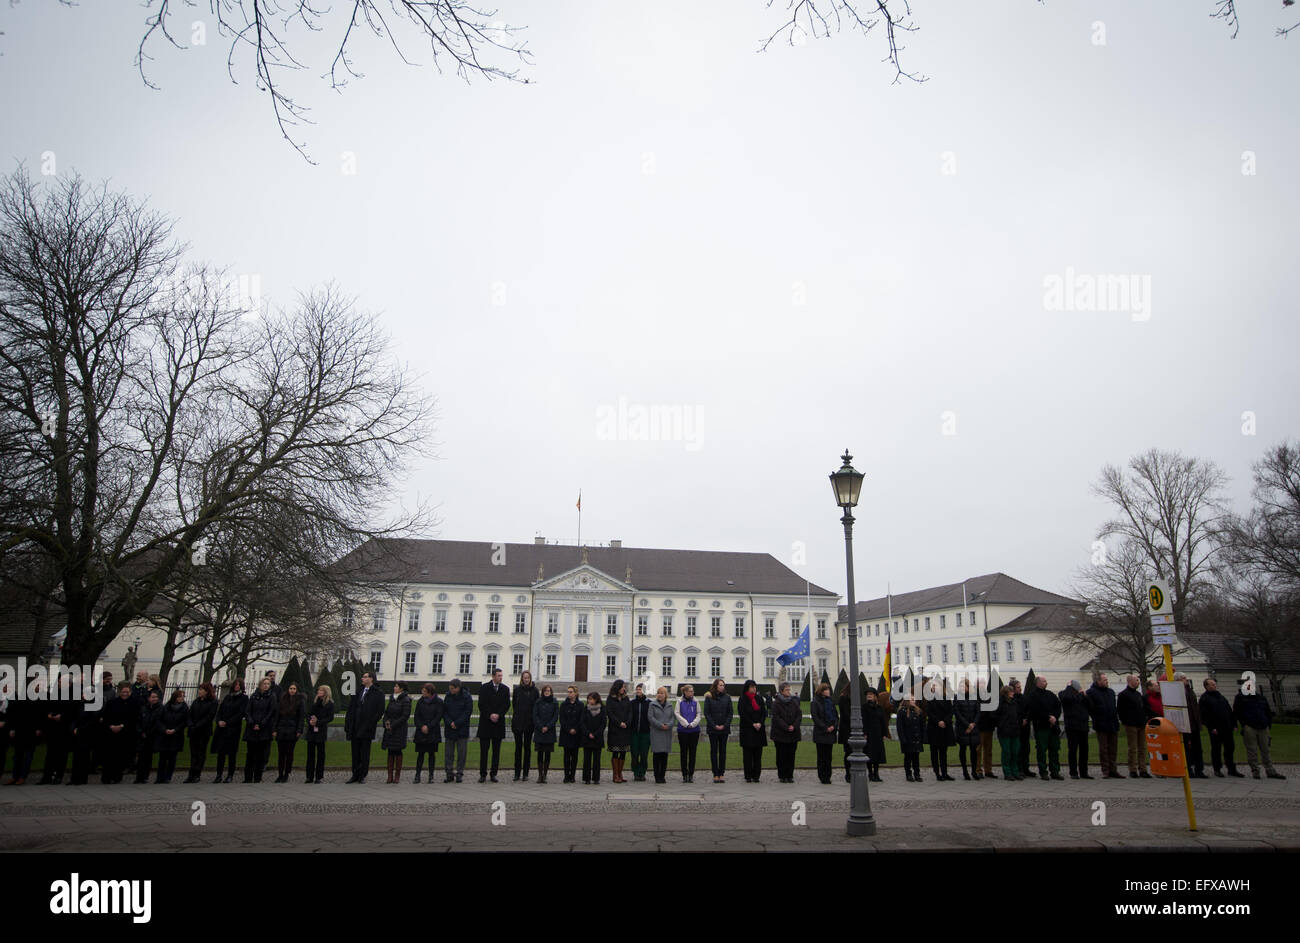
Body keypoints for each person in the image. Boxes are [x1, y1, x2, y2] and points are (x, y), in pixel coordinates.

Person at [1234, 677, 1285, 780]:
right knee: (1252, 750)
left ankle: (1270, 770)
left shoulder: (1260, 697)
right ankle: (1255, 770)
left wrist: (1268, 724)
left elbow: (1267, 711)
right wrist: (1244, 724)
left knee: (1265, 749)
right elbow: (1237, 712)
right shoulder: (1240, 698)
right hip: (1250, 727)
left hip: (1263, 726)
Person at [344, 670, 386, 784]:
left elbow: (380, 711)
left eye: (365, 677)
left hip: (367, 727)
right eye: (362, 677)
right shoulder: (359, 691)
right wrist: (348, 723)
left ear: (371, 679)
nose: (362, 679)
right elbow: (351, 708)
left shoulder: (378, 693)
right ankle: (355, 774)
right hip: (355, 726)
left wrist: (371, 722)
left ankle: (362, 774)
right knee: (355, 752)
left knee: (364, 753)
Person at [1199, 677, 1241, 777]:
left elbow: (1229, 710)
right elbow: (1204, 715)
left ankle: (1231, 768)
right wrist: (1211, 727)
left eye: (1214, 684)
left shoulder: (1221, 697)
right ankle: (1217, 768)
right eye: (1212, 684)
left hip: (1227, 727)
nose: (1214, 685)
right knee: (1216, 749)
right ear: (1206, 686)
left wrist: (1234, 723)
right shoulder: (1204, 699)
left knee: (1230, 748)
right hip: (1215, 729)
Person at [1024, 674, 1063, 781]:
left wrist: (1055, 716)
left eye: (1046, 681)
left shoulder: (1050, 694)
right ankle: (1043, 771)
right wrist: (1047, 717)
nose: (1046, 683)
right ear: (1038, 683)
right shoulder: (1032, 696)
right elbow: (1034, 710)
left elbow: (1058, 706)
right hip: (1041, 726)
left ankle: (1055, 771)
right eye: (1044, 681)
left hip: (1053, 726)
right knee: (1041, 750)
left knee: (1054, 749)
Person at [38, 687, 78, 785]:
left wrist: (62, 717)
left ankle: (59, 776)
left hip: (64, 729)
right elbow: (46, 707)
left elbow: (73, 711)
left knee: (62, 753)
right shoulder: (53, 694)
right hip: (52, 728)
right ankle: (47, 776)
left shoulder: (72, 695)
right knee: (50, 753)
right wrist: (49, 715)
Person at [477, 668, 510, 783]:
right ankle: (482, 774)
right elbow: (481, 704)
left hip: (498, 724)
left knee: (496, 751)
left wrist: (498, 714)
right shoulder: (484, 688)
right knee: (484, 751)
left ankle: (493, 773)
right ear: (493, 676)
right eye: (498, 676)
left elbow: (506, 705)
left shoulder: (505, 689)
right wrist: (490, 715)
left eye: (501, 676)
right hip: (486, 723)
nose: (500, 677)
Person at [100, 682, 137, 784]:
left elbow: (133, 719)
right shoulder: (112, 702)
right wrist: (111, 726)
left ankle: (117, 776)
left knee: (120, 757)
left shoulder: (134, 703)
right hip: (111, 733)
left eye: (127, 692)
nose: (124, 694)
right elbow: (106, 716)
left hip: (124, 733)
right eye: (123, 692)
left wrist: (121, 726)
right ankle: (106, 777)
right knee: (109, 756)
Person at [1086, 673, 1122, 778]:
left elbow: (1113, 707)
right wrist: (1096, 718)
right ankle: (1105, 770)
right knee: (1104, 749)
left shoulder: (1110, 692)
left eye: (1107, 680)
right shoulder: (1091, 692)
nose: (1107, 681)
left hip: (1112, 723)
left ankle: (1113, 769)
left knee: (1113, 748)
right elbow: (1091, 708)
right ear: (1098, 681)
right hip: (1101, 724)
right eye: (1105, 680)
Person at [211, 679, 247, 783]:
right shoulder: (227, 697)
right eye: (235, 685)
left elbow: (241, 713)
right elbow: (220, 711)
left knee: (232, 753)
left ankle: (230, 775)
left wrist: (228, 722)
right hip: (222, 728)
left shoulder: (244, 698)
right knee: (221, 753)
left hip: (233, 728)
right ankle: (219, 774)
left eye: (238, 685)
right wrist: (219, 721)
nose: (236, 686)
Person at [243, 677, 277, 783]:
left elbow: (271, 712)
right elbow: (248, 710)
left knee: (261, 754)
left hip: (264, 729)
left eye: (268, 684)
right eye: (264, 683)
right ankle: (248, 777)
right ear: (260, 685)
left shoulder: (272, 697)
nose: (266, 685)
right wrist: (252, 722)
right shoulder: (254, 696)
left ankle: (258, 777)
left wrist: (261, 724)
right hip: (252, 728)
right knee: (250, 754)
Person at [1117, 674, 1151, 778]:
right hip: (1131, 724)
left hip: (1141, 723)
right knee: (1133, 748)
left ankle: (1143, 769)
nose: (1138, 682)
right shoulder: (1123, 695)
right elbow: (1120, 710)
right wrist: (1125, 721)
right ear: (1130, 681)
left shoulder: (1138, 694)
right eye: (1136, 680)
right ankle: (1132, 769)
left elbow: (1143, 708)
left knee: (1142, 747)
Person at [272, 682, 306, 783]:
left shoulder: (300, 701)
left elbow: (301, 717)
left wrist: (299, 730)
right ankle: (280, 774)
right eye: (291, 688)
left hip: (292, 730)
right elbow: (277, 716)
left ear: (297, 690)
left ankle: (286, 773)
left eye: (294, 689)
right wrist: (274, 729)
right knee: (281, 753)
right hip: (281, 729)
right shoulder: (282, 700)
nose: (292, 690)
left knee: (289, 753)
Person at [184, 682, 218, 783]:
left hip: (204, 731)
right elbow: (190, 714)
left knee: (200, 752)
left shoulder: (213, 702)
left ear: (207, 691)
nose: (199, 691)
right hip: (194, 730)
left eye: (201, 689)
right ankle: (191, 773)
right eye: (199, 689)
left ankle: (197, 773)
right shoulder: (196, 701)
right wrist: (191, 724)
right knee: (193, 752)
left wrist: (197, 725)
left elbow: (209, 716)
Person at [1175, 673, 1206, 778]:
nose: (1186, 680)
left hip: (1194, 723)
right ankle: (1188, 769)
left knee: (1197, 748)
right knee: (1186, 749)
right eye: (1183, 678)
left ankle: (1199, 769)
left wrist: (1199, 721)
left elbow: (1195, 706)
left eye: (1185, 678)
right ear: (1178, 680)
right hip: (1184, 724)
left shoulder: (1190, 690)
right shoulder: (1177, 691)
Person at [441, 678, 473, 783]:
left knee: (461, 753)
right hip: (450, 728)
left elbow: (467, 712)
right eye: (450, 688)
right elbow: (444, 711)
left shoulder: (466, 697)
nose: (451, 690)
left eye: (452, 689)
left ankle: (459, 773)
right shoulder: (448, 696)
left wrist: (457, 723)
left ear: (458, 688)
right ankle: (449, 773)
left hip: (461, 729)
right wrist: (450, 722)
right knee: (449, 753)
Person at [769, 681, 802, 783]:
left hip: (793, 733)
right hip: (780, 734)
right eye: (787, 689)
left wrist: (794, 726)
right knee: (781, 755)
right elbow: (776, 718)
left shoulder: (794, 702)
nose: (789, 691)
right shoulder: (776, 703)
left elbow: (799, 715)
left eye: (789, 689)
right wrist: (786, 726)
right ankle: (782, 775)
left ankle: (789, 775)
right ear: (781, 691)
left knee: (791, 755)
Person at [1059, 679, 1091, 779]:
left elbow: (1091, 705)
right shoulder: (1064, 694)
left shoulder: (1082, 696)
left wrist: (1085, 695)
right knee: (1073, 750)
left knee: (1084, 750)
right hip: (1072, 726)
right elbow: (1066, 698)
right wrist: (1069, 687)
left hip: (1083, 726)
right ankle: (1073, 772)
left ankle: (1084, 772)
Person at [702, 677, 733, 783]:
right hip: (713, 729)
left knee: (723, 752)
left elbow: (730, 713)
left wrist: (725, 725)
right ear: (716, 686)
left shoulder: (727, 698)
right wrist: (714, 725)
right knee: (714, 751)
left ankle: (721, 773)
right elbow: (707, 713)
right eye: (720, 685)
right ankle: (715, 773)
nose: (722, 687)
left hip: (724, 729)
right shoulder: (709, 697)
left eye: (723, 685)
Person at [412, 683, 443, 784]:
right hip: (421, 731)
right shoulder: (420, 701)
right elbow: (416, 716)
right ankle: (417, 775)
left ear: (430, 692)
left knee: (431, 754)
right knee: (420, 754)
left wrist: (428, 726)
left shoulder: (438, 702)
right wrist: (421, 726)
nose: (422, 693)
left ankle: (431, 775)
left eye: (424, 691)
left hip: (432, 731)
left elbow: (438, 716)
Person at [511, 670, 540, 781]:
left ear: (530, 678)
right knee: (518, 748)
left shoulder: (535, 691)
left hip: (529, 723)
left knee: (527, 748)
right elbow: (514, 705)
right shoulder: (517, 690)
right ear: (522, 678)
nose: (526, 679)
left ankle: (526, 773)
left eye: (528, 677)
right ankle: (517, 772)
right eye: (524, 677)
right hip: (518, 722)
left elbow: (536, 707)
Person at [737, 679, 767, 783]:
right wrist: (752, 724)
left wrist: (760, 723)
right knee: (748, 755)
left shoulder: (759, 699)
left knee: (758, 755)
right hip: (747, 730)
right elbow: (743, 714)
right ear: (747, 688)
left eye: (755, 686)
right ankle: (748, 775)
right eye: (752, 687)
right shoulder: (743, 699)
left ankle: (756, 775)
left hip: (759, 730)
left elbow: (764, 712)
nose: (754, 688)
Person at [381, 681, 411, 784]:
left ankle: (397, 776)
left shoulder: (406, 700)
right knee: (390, 751)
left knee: (397, 751)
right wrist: (385, 722)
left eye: (396, 686)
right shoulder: (392, 699)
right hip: (390, 729)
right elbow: (386, 712)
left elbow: (405, 716)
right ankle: (390, 775)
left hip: (399, 729)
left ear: (401, 689)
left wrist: (393, 725)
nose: (394, 687)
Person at [305, 684, 336, 784]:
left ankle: (319, 776)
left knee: (321, 754)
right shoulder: (314, 702)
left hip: (321, 730)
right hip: (312, 729)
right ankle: (309, 776)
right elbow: (308, 713)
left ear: (326, 692)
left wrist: (318, 722)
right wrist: (310, 720)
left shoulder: (329, 704)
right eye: (319, 690)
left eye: (321, 691)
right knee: (310, 754)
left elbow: (330, 717)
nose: (319, 692)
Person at [926, 678, 955, 782]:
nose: (934, 687)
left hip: (944, 728)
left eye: (936, 685)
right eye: (933, 686)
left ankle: (945, 772)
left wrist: (945, 721)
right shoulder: (930, 698)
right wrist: (938, 721)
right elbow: (929, 713)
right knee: (934, 752)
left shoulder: (946, 698)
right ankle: (937, 773)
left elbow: (951, 711)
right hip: (934, 728)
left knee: (943, 752)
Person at [674, 684, 703, 783]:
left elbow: (699, 714)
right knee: (683, 753)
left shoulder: (696, 701)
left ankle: (691, 773)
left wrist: (693, 724)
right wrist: (686, 724)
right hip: (683, 731)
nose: (692, 693)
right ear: (685, 692)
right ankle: (684, 774)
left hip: (694, 731)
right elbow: (677, 713)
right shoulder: (679, 701)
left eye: (692, 691)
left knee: (692, 753)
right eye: (690, 691)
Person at [811, 681, 838, 785]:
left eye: (828, 689)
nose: (828, 691)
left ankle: (828, 775)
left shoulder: (830, 702)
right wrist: (825, 727)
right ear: (822, 691)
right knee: (822, 756)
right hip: (821, 733)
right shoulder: (815, 702)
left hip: (830, 732)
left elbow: (836, 716)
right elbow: (815, 717)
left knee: (829, 756)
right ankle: (822, 776)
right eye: (826, 689)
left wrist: (833, 726)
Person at [953, 679, 981, 780]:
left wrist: (973, 724)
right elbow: (957, 713)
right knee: (963, 749)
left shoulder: (974, 697)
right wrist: (967, 725)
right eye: (960, 686)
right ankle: (965, 771)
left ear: (968, 687)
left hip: (973, 727)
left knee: (974, 750)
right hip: (962, 728)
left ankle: (974, 771)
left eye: (963, 686)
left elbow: (978, 712)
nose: (961, 688)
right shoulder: (957, 697)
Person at [606, 679, 633, 784]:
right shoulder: (610, 699)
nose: (624, 689)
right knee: (616, 752)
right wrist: (619, 723)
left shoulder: (626, 698)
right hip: (615, 729)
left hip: (625, 729)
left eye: (624, 687)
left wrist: (627, 722)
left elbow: (630, 712)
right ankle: (615, 774)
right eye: (622, 687)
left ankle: (620, 773)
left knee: (623, 752)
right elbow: (610, 713)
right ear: (617, 687)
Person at [134, 689, 163, 783]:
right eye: (152, 697)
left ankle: (145, 776)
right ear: (148, 698)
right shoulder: (144, 708)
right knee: (141, 757)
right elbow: (138, 721)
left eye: (155, 697)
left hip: (152, 736)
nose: (154, 699)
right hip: (142, 735)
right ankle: (139, 776)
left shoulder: (160, 709)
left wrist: (148, 732)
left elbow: (158, 723)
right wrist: (140, 731)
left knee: (148, 758)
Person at [648, 685, 675, 784]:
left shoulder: (670, 705)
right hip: (656, 732)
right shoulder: (652, 705)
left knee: (664, 755)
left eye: (662, 693)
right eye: (658, 693)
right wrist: (660, 725)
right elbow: (650, 718)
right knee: (657, 755)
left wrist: (668, 725)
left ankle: (662, 775)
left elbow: (673, 718)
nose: (660, 695)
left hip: (666, 733)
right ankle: (657, 776)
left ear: (665, 695)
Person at [895, 694, 925, 783]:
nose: (914, 701)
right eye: (912, 699)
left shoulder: (918, 711)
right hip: (907, 739)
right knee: (908, 758)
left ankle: (917, 774)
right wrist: (903, 739)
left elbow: (922, 725)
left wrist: (922, 737)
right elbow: (900, 727)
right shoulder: (902, 712)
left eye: (914, 699)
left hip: (916, 738)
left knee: (916, 758)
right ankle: (908, 774)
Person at [994, 686, 1022, 781]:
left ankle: (1015, 771)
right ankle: (1007, 772)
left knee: (1015, 752)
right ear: (1006, 693)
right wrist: (1001, 724)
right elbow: (994, 715)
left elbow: (1017, 714)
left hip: (1014, 730)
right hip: (1004, 731)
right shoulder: (1000, 702)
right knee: (1007, 752)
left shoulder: (1014, 702)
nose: (1013, 693)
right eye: (1011, 692)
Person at [558, 684, 584, 784]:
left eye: (571, 692)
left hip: (576, 733)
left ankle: (572, 775)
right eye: (568, 692)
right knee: (566, 755)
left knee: (575, 756)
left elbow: (581, 719)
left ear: (576, 693)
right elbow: (562, 719)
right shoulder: (564, 704)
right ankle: (566, 775)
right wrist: (569, 729)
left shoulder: (580, 705)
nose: (569, 694)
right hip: (566, 733)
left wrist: (576, 729)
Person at [532, 684, 558, 783]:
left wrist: (547, 726)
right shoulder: (538, 702)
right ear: (542, 692)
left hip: (549, 731)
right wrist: (541, 726)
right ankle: (540, 775)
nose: (547, 692)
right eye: (545, 691)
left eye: (549, 691)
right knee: (539, 753)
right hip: (540, 730)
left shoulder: (554, 702)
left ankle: (545, 775)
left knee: (547, 753)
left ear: (551, 692)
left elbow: (555, 716)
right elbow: (535, 715)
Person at [862, 689, 889, 782]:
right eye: (868, 694)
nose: (869, 696)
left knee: (877, 755)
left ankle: (876, 773)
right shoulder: (864, 707)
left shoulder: (879, 708)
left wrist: (884, 733)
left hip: (877, 734)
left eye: (871, 694)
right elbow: (863, 721)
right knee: (869, 754)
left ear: (875, 696)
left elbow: (883, 721)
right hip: (869, 734)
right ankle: (870, 773)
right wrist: (864, 733)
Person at [580, 691, 606, 784]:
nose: (589, 701)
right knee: (586, 759)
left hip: (597, 738)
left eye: (591, 699)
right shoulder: (585, 709)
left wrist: (595, 734)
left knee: (596, 759)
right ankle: (586, 778)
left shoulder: (602, 709)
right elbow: (582, 723)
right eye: (589, 699)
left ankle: (596, 778)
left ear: (596, 699)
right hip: (587, 737)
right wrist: (588, 733)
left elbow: (603, 724)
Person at [628, 682, 652, 782]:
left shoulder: (649, 703)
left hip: (645, 732)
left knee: (644, 754)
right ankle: (635, 772)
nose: (638, 691)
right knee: (634, 754)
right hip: (634, 732)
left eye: (640, 689)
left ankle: (642, 772)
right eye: (637, 689)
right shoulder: (632, 703)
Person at [1011, 679, 1033, 778]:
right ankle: (1018, 768)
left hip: (1025, 727)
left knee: (1026, 748)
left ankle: (1026, 767)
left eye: (1020, 687)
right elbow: (1014, 713)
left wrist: (1027, 719)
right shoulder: (1012, 700)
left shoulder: (1025, 698)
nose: (1020, 689)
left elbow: (1029, 710)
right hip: (1016, 727)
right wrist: (1021, 720)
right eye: (1018, 687)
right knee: (1017, 749)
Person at [977, 685, 999, 779]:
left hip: (989, 726)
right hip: (980, 727)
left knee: (988, 750)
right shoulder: (976, 697)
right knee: (978, 750)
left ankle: (988, 770)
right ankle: (978, 770)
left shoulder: (989, 697)